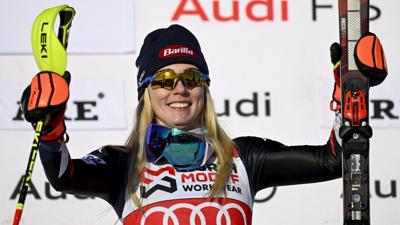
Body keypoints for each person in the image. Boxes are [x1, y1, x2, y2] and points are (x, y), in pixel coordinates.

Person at [21, 24, 387, 225]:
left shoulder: (242, 157)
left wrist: (349, 95)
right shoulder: (124, 165)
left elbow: (335, 159)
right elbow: (64, 175)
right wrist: (51, 127)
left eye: (192, 77)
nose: (179, 88)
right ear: (145, 92)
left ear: (205, 88)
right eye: (164, 79)